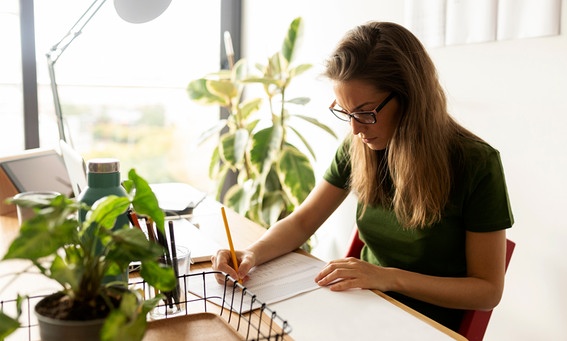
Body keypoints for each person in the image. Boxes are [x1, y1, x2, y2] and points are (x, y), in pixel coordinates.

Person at [212, 21, 514, 331]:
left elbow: (488, 291)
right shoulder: (361, 146)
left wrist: (388, 277)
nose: (355, 128)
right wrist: (251, 253)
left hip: (424, 325)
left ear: (409, 98)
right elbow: (304, 221)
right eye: (345, 112)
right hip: (363, 307)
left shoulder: (476, 163)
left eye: (365, 112)